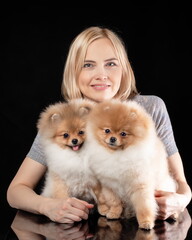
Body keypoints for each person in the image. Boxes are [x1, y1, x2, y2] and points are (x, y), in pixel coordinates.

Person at [7, 26, 191, 224]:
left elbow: (181, 183)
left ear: (124, 68)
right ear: (73, 72)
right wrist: (47, 206)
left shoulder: (149, 109)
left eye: (111, 63)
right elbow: (16, 190)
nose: (101, 74)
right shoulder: (64, 121)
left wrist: (179, 201)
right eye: (88, 65)